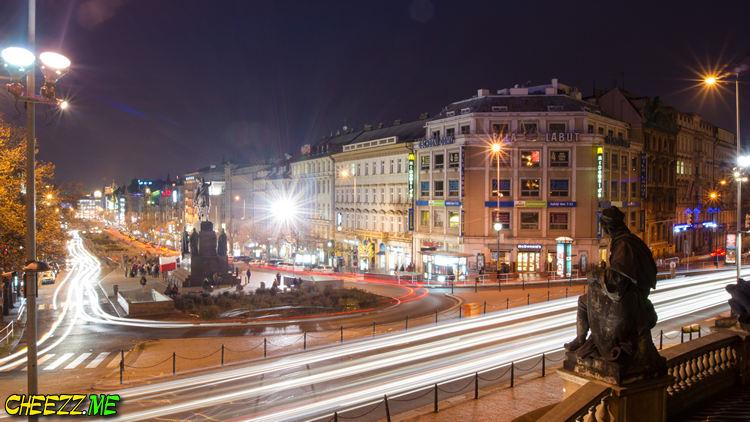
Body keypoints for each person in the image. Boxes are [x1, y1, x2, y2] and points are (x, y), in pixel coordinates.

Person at [565, 206, 657, 355]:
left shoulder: (623, 244)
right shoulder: (631, 240)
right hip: (634, 292)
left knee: (583, 301)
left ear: (608, 227)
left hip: (628, 296)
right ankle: (581, 339)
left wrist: (597, 274)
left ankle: (581, 339)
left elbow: (617, 279)